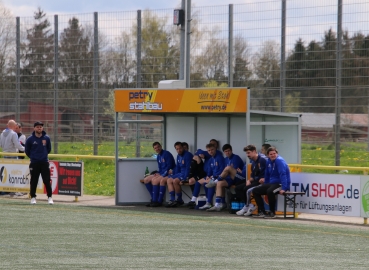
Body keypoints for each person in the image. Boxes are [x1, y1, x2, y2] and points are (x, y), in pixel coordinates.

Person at [252, 146, 291, 219]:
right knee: (256, 190)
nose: (273, 155)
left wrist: (284, 188)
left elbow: (283, 175)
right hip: (272, 183)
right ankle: (262, 211)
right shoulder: (268, 161)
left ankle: (272, 212)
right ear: (268, 155)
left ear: (277, 153)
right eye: (271, 154)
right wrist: (266, 184)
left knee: (270, 191)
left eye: (274, 153)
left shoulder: (279, 161)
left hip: (280, 184)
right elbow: (267, 174)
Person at [206, 144, 244, 212]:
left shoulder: (236, 157)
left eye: (229, 151)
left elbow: (233, 170)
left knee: (228, 168)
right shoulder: (225, 159)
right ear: (224, 152)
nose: (227, 152)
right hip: (230, 179)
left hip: (239, 178)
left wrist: (221, 175)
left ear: (232, 150)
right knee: (219, 183)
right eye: (226, 151)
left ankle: (215, 181)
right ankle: (218, 205)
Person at [25, 121, 54, 205]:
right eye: (37, 127)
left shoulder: (46, 138)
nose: (39, 128)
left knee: (47, 181)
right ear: (34, 128)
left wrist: (43, 156)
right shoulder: (30, 139)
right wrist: (34, 157)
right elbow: (27, 151)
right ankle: (33, 197)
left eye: (40, 127)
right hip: (34, 163)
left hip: (44, 162)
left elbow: (48, 149)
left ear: (42, 128)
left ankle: (50, 197)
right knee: (34, 181)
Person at [235, 145, 267, 216]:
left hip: (263, 181)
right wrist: (249, 180)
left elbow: (268, 171)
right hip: (256, 180)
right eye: (246, 153)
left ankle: (248, 206)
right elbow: (253, 175)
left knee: (247, 189)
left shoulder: (262, 160)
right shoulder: (253, 161)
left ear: (254, 151)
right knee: (238, 188)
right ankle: (250, 205)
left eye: (249, 153)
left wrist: (264, 178)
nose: (247, 155)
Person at [143, 142, 175, 207]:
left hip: (168, 173)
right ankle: (153, 199)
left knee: (154, 180)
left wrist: (162, 175)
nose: (157, 149)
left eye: (158, 147)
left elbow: (170, 166)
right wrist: (158, 173)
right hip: (161, 173)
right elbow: (160, 168)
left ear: (161, 146)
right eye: (155, 148)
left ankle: (158, 201)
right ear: (154, 149)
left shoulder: (166, 154)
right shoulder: (158, 156)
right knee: (146, 179)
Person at [195, 143, 225, 210]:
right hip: (214, 177)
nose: (210, 151)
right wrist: (208, 176)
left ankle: (211, 203)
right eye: (209, 150)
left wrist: (213, 176)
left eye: (212, 149)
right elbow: (210, 170)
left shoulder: (219, 157)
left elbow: (222, 169)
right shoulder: (211, 159)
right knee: (206, 182)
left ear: (215, 149)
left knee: (210, 183)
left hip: (221, 177)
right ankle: (208, 202)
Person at [165, 142, 193, 207]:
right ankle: (172, 200)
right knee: (169, 180)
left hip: (187, 174)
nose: (179, 150)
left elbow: (188, 168)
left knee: (175, 181)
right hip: (180, 174)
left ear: (183, 147)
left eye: (180, 148)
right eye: (177, 149)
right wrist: (173, 174)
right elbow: (178, 167)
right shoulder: (178, 156)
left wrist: (185, 178)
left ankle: (179, 199)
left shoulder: (188, 155)